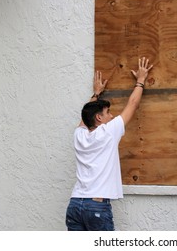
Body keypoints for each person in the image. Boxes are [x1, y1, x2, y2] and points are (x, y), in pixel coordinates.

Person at [65, 57, 153, 231]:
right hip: (96, 206)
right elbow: (132, 105)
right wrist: (141, 81)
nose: (112, 116)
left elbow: (84, 119)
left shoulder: (79, 135)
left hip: (75, 205)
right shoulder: (108, 132)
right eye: (108, 112)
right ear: (99, 118)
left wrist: (96, 94)